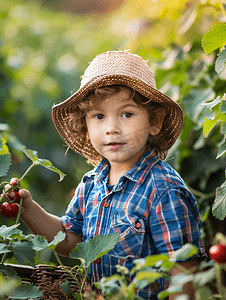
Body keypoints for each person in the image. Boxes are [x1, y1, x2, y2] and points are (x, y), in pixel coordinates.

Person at [6, 51, 206, 299]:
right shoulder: (91, 184)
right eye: (99, 116)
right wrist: (28, 209)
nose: (112, 128)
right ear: (86, 128)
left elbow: (183, 270)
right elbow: (69, 242)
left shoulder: (164, 190)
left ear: (155, 121)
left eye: (127, 114)